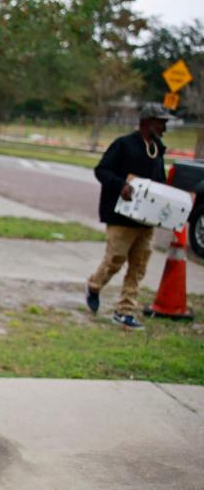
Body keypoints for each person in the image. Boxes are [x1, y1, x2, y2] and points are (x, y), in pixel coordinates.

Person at [86, 102, 171, 329]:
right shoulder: (124, 145)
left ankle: (125, 310)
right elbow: (101, 170)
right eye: (160, 122)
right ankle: (95, 285)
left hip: (146, 218)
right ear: (146, 122)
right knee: (115, 260)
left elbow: (159, 181)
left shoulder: (157, 150)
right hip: (122, 216)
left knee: (139, 264)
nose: (164, 127)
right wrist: (120, 185)